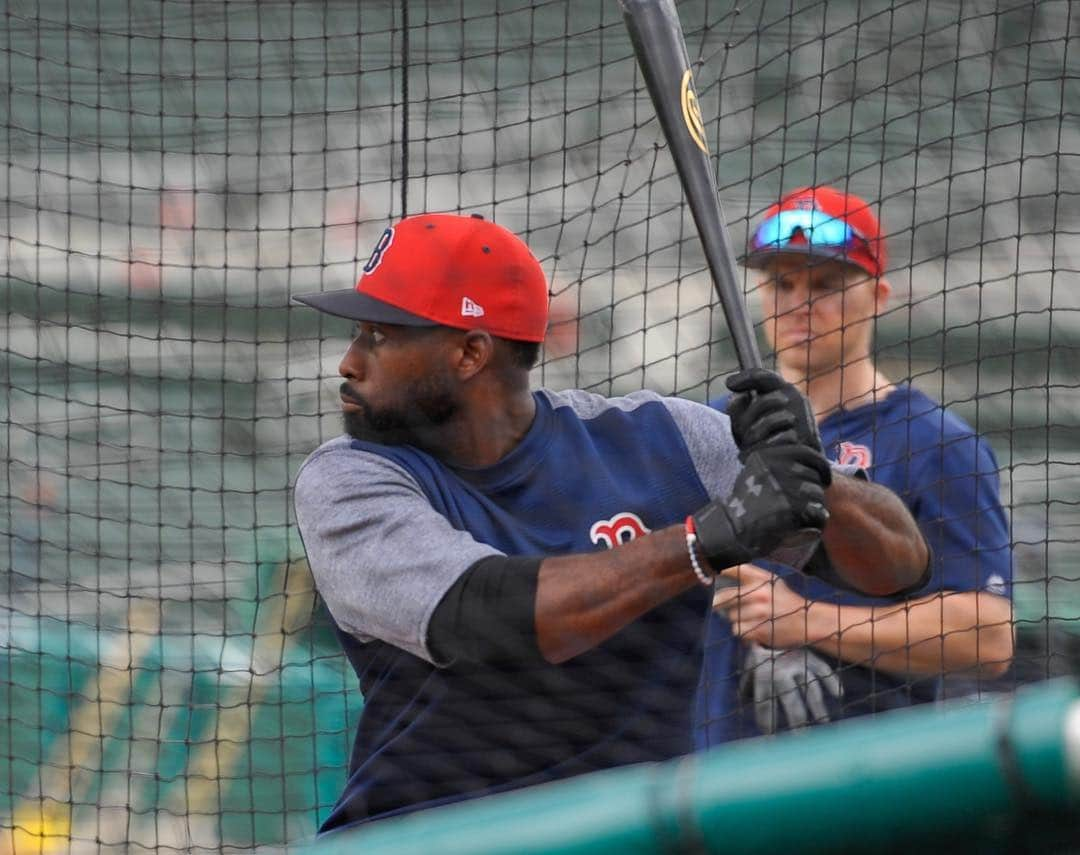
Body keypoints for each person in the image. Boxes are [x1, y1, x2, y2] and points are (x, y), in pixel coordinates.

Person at [291, 211, 930, 832]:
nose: (349, 362)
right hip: (433, 835)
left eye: (380, 336)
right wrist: (703, 541)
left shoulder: (664, 438)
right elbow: (488, 621)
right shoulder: (353, 480)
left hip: (622, 832)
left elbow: (897, 567)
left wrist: (811, 473)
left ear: (469, 354)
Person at [694, 187, 1014, 747]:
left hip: (869, 782)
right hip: (718, 780)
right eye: (781, 283)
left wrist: (807, 623)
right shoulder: (712, 428)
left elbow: (987, 637)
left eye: (827, 285)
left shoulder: (936, 442)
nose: (800, 303)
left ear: (879, 295)